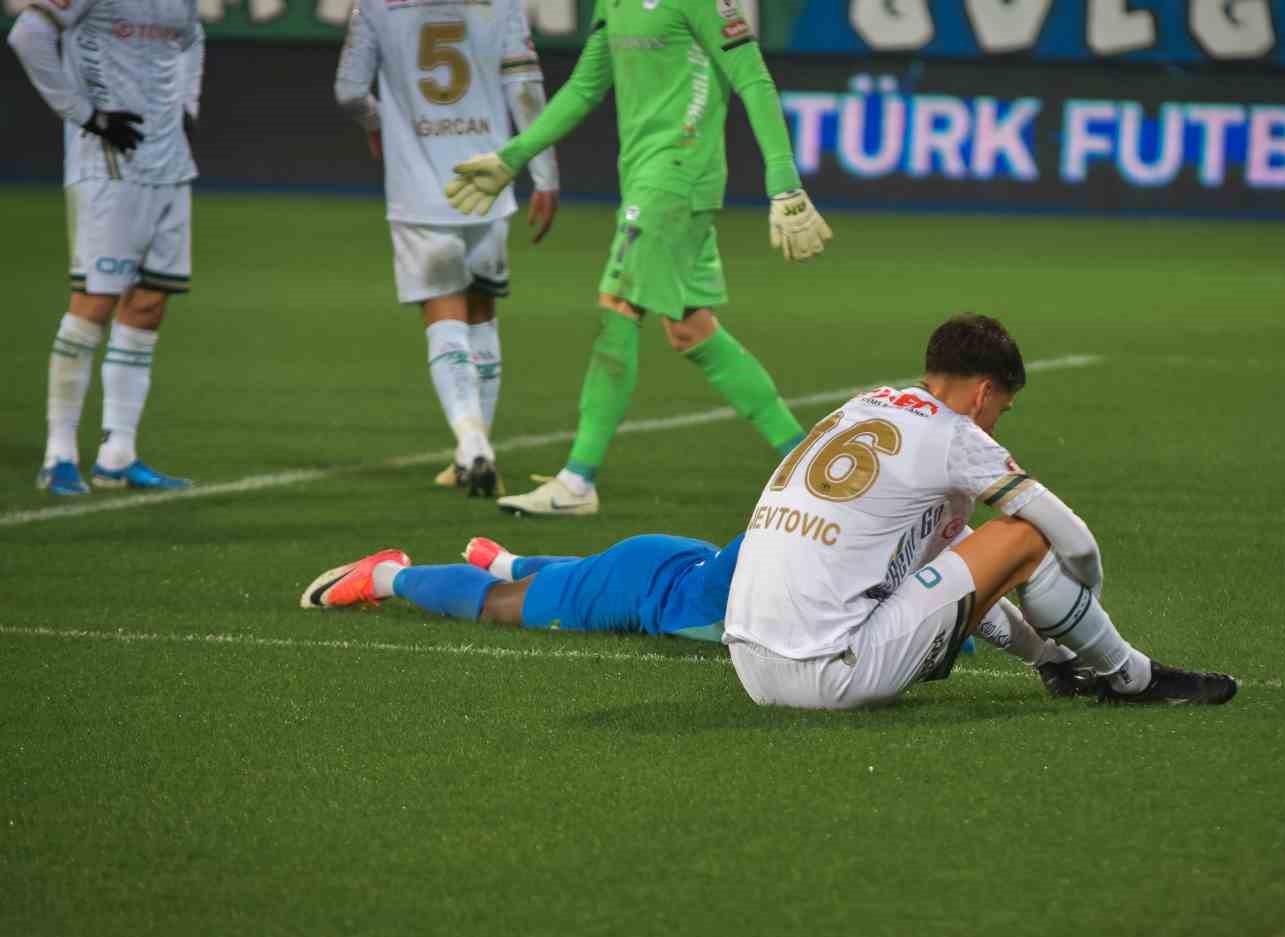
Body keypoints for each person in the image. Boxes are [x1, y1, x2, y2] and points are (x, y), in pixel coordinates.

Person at [723, 313, 1238, 709]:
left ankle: (1062, 665)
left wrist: (1051, 652)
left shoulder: (862, 406)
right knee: (1024, 536)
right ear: (984, 392)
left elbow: (961, 571)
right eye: (1001, 410)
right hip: (829, 675)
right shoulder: (954, 435)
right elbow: (1073, 540)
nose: (994, 426)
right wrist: (1087, 596)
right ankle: (1131, 678)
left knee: (961, 546)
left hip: (749, 666)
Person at [443, 0, 833, 517]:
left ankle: (578, 481)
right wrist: (512, 157)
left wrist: (783, 183)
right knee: (691, 328)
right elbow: (584, 88)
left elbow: (754, 79)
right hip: (651, 178)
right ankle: (805, 458)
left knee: (619, 303)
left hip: (677, 178)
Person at [298, 532, 1086, 689]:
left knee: (569, 576)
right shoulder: (868, 571)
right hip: (647, 591)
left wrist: (1043, 656)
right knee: (502, 608)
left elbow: (976, 612)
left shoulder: (872, 536)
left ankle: (507, 555)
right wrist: (1043, 655)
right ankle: (390, 575)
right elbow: (969, 615)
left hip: (685, 558)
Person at [334, 0, 560, 497]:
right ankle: (473, 453)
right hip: (488, 181)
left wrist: (377, 124)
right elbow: (524, 88)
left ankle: (472, 444)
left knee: (445, 314)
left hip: (420, 189)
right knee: (480, 313)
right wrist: (545, 174)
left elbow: (349, 91)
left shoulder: (375, 6)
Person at [9, 0, 204, 495]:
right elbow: (27, 36)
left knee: (148, 304)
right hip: (107, 164)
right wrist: (86, 116)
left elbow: (192, 37)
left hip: (170, 161)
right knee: (94, 302)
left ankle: (118, 454)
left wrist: (187, 102)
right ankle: (59, 455)